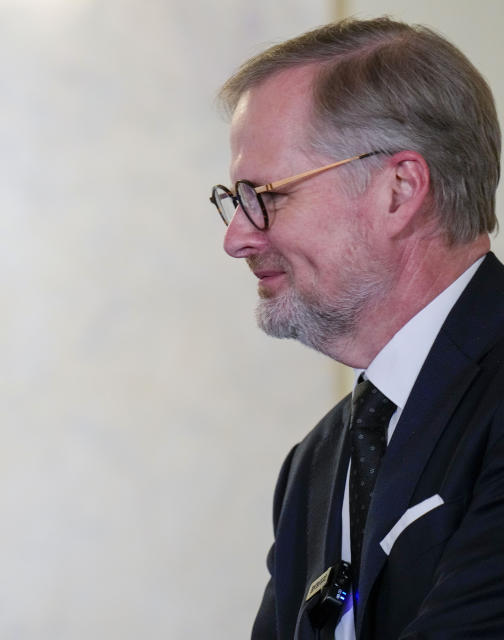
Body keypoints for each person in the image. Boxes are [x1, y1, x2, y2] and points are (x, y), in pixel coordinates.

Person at [211, 17, 504, 640]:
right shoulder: (313, 466)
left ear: (399, 190)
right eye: (233, 201)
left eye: (264, 194)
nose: (236, 237)